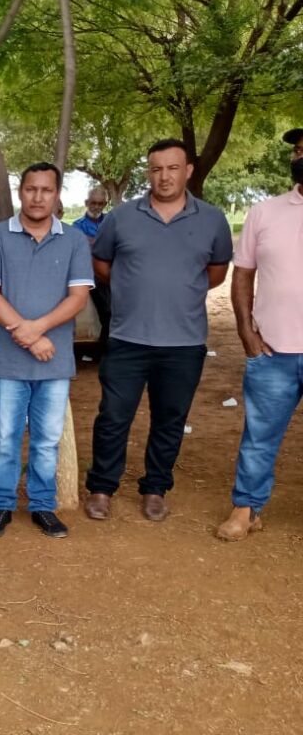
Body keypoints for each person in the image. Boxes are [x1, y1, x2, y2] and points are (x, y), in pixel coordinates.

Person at [85, 139, 233, 522]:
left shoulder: (212, 219)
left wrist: (178, 287)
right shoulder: (122, 217)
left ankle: (155, 488)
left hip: (184, 343)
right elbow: (101, 264)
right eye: (156, 168)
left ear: (187, 171)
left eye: (172, 168)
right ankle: (101, 488)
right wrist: (132, 285)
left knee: (170, 418)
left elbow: (216, 273)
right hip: (127, 338)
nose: (163, 176)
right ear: (148, 172)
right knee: (113, 416)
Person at [0, 163, 94, 538]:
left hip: (54, 360)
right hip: (9, 362)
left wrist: (36, 331)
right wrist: (26, 336)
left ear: (57, 194)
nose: (38, 197)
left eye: (46, 190)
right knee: (7, 438)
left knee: (46, 440)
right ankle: (1, 505)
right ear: (20, 191)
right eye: (31, 189)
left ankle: (42, 506)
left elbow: (78, 297)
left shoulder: (74, 240)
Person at [216, 128, 303, 541]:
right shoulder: (264, 213)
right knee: (259, 437)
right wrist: (244, 328)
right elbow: (243, 273)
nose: (301, 156)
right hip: (273, 352)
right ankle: (245, 509)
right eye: (299, 151)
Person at [72, 187, 111, 345]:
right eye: (93, 203)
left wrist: (94, 243)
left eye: (100, 203)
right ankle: (105, 349)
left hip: (112, 272)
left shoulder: (111, 221)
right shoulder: (77, 225)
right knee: (108, 312)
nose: (96, 206)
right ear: (86, 203)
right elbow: (82, 249)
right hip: (91, 275)